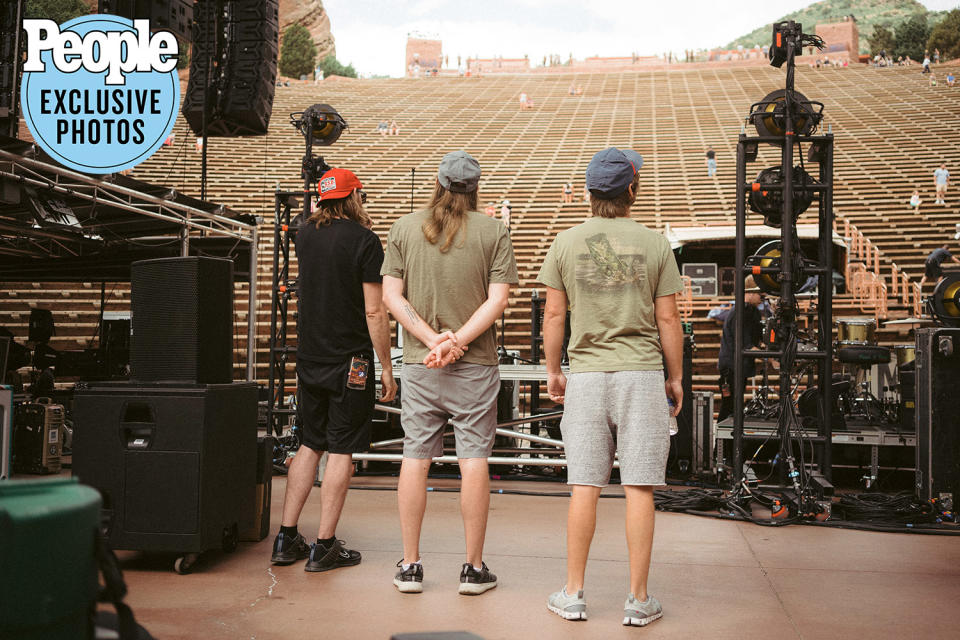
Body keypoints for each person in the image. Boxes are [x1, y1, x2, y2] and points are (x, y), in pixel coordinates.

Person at [538, 147, 682, 628]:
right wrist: (675, 377)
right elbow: (668, 318)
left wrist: (553, 369)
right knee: (639, 487)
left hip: (588, 375)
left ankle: (574, 593)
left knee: (585, 484)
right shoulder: (655, 243)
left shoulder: (565, 242)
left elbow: (554, 315)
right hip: (640, 374)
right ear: (631, 191)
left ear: (588, 192)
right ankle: (638, 600)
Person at [382, 150, 518, 596]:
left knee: (415, 457)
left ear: (437, 183)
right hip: (474, 363)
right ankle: (473, 569)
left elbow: (391, 298)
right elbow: (497, 301)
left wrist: (431, 339)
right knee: (474, 459)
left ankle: (410, 565)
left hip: (422, 363)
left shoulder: (403, 228)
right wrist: (456, 341)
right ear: (475, 187)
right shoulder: (495, 231)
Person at [270, 168, 397, 571]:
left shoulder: (304, 235)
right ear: (353, 197)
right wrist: (387, 367)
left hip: (310, 358)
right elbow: (374, 310)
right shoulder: (365, 241)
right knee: (341, 448)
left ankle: (286, 537)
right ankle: (324, 545)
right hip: (351, 361)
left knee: (309, 443)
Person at [716, 277, 764, 423]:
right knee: (729, 407)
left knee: (734, 406)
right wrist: (769, 357)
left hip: (739, 368)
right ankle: (720, 444)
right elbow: (746, 345)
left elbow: (758, 337)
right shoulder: (739, 313)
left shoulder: (752, 312)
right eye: (759, 294)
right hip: (731, 368)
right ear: (749, 293)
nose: (762, 297)